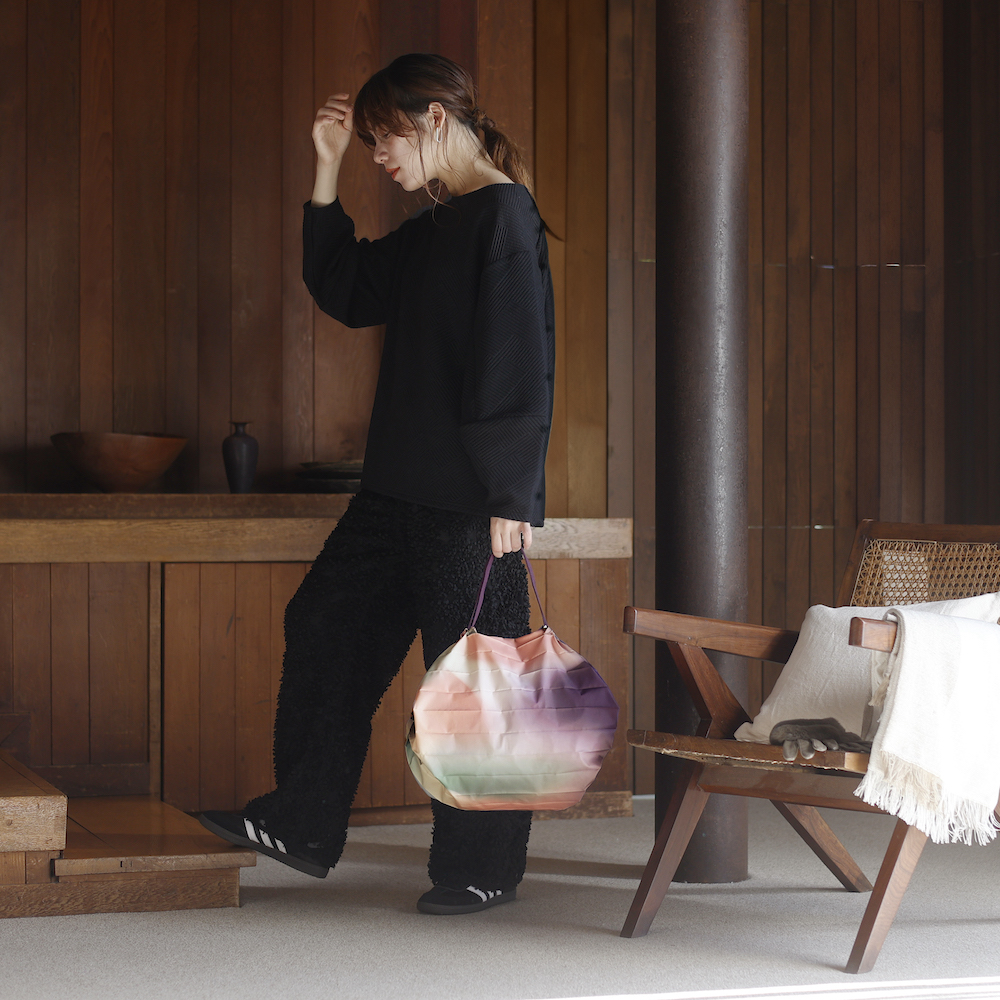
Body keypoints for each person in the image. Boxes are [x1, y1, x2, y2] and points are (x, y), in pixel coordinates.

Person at [200, 53, 555, 916]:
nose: (377, 156)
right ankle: (301, 823)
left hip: (470, 503)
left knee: (477, 680)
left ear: (435, 119)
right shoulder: (437, 226)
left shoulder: (504, 213)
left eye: (382, 137)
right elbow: (348, 288)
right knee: (325, 623)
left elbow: (522, 359)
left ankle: (481, 867)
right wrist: (324, 168)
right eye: (364, 143)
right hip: (394, 492)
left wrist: (513, 497)